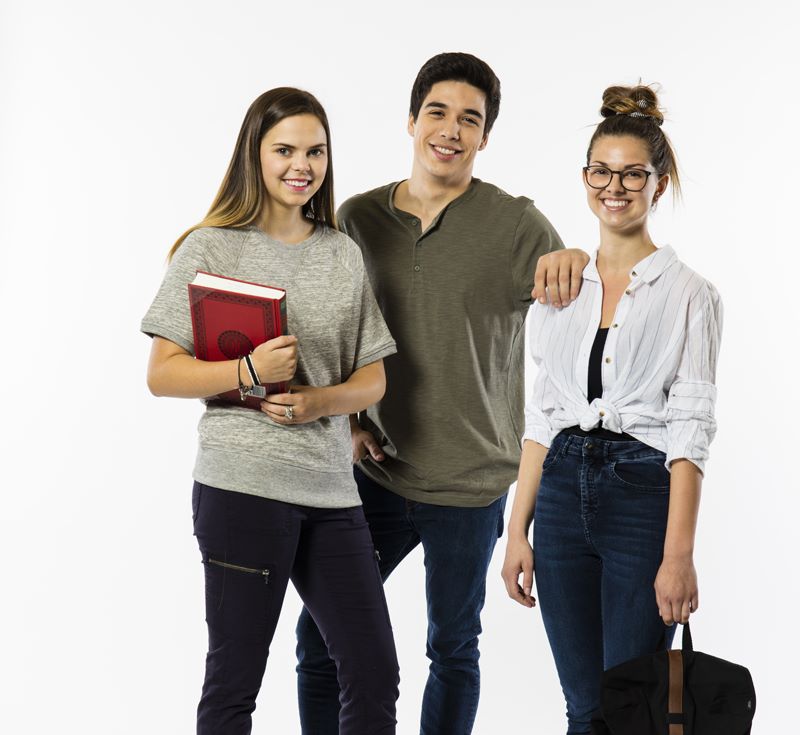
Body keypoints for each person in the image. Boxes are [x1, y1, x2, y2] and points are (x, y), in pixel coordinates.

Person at [295, 53, 589, 735]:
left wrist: (578, 258)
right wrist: (343, 424)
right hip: (375, 471)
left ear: (484, 137)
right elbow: (327, 333)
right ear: (411, 120)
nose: (451, 129)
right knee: (318, 639)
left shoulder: (517, 224)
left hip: (472, 481)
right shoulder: (358, 217)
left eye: (470, 119)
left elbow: (577, 313)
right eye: (438, 111)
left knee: (452, 647)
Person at [141, 87, 400, 735]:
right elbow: (161, 374)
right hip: (242, 488)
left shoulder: (341, 253)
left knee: (373, 672)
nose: (301, 164)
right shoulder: (210, 247)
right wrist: (249, 371)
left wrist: (318, 400)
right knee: (235, 685)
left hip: (332, 494)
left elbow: (372, 377)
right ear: (254, 156)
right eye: (284, 150)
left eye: (315, 151)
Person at [501, 84, 723, 734]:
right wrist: (519, 528)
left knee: (633, 711)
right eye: (602, 171)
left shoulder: (691, 294)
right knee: (583, 708)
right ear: (584, 177)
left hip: (640, 495)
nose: (615, 186)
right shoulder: (559, 284)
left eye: (633, 173)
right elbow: (542, 414)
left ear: (659, 184)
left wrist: (677, 554)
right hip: (563, 496)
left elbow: (691, 428)